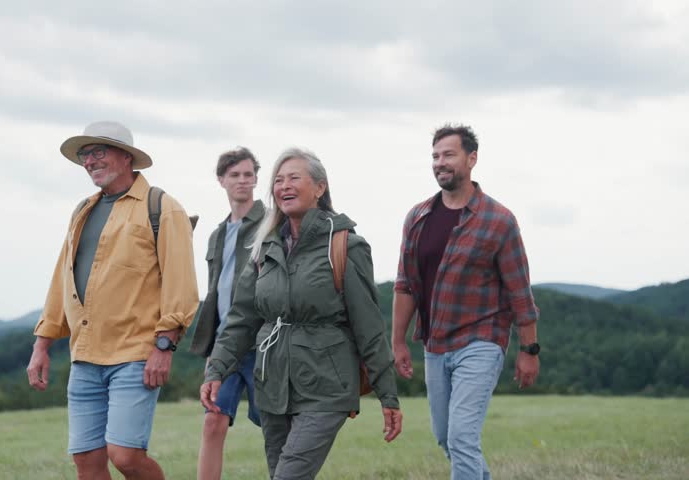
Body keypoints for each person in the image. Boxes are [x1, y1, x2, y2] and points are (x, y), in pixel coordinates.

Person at [201, 148, 402, 480]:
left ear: (320, 187)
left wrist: (388, 395)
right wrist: (217, 369)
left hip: (327, 386)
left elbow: (369, 326)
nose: (284, 186)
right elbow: (241, 319)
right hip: (273, 386)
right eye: (278, 180)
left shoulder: (345, 245)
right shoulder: (264, 247)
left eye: (294, 178)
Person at [26, 121, 199, 480]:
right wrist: (41, 345)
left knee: (126, 457)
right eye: (85, 155)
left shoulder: (162, 207)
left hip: (135, 354)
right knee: (87, 464)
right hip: (84, 357)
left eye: (98, 152)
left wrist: (164, 346)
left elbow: (181, 283)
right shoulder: (82, 211)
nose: (89, 161)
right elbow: (62, 279)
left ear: (126, 157)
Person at [392, 124, 540, 480]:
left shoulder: (498, 220)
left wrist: (529, 350)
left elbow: (520, 292)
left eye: (449, 154)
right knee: (446, 437)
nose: (440, 163)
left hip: (481, 341)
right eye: (435, 156)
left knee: (461, 437)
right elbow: (405, 284)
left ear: (471, 159)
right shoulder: (418, 217)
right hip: (435, 344)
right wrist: (397, 341)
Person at [189, 146, 265, 479]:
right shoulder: (216, 235)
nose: (243, 180)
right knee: (212, 420)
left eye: (249, 174)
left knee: (277, 426)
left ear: (256, 179)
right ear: (221, 180)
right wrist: (213, 349)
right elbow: (214, 294)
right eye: (235, 175)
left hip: (264, 342)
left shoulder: (271, 224)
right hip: (225, 345)